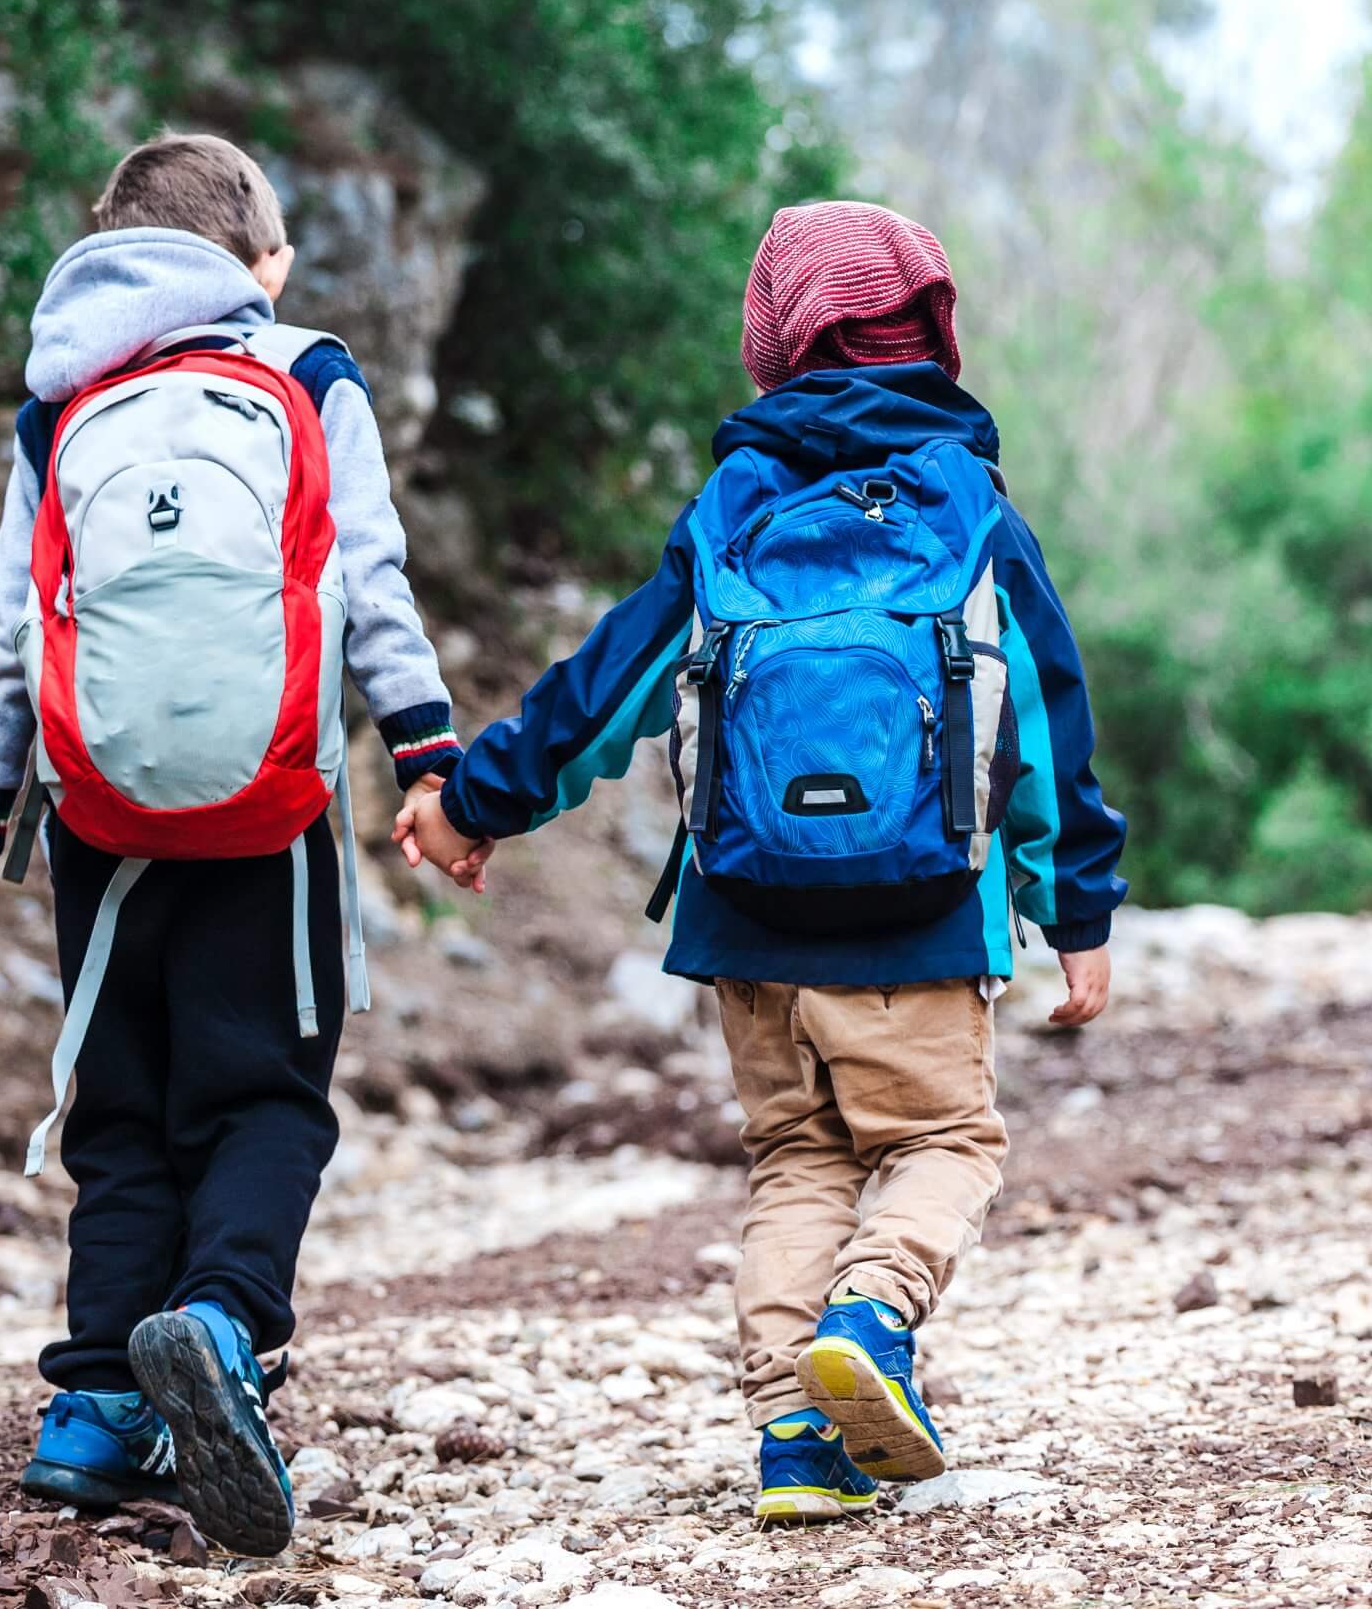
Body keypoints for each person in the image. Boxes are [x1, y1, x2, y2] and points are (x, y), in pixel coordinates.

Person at [396, 200, 1126, 1524]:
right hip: (923, 918)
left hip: (746, 917)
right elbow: (1043, 717)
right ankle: (874, 1319)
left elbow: (608, 684)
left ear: (776, 338)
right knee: (945, 1140)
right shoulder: (967, 503)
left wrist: (478, 801)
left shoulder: (737, 502)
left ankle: (796, 1430)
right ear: (931, 333)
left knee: (798, 1160)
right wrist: (1075, 905)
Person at [0, 134, 459, 1555]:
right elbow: (369, 580)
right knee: (266, 1098)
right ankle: (222, 1327)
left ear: (107, 248)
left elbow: (6, 636)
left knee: (122, 1115)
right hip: (273, 810)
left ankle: (95, 1408)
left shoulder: (61, 406)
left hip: (99, 818)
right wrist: (429, 759)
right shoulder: (308, 376)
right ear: (265, 264)